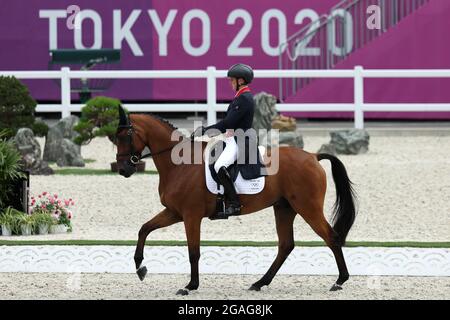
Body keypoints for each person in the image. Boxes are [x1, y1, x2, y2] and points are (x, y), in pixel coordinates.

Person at [191, 63, 256, 219]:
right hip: (233, 137)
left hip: (240, 140)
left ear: (240, 81)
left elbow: (227, 123)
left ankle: (234, 203)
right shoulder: (241, 97)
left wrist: (205, 131)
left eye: (232, 80)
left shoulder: (245, 98)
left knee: (220, 165)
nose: (230, 83)